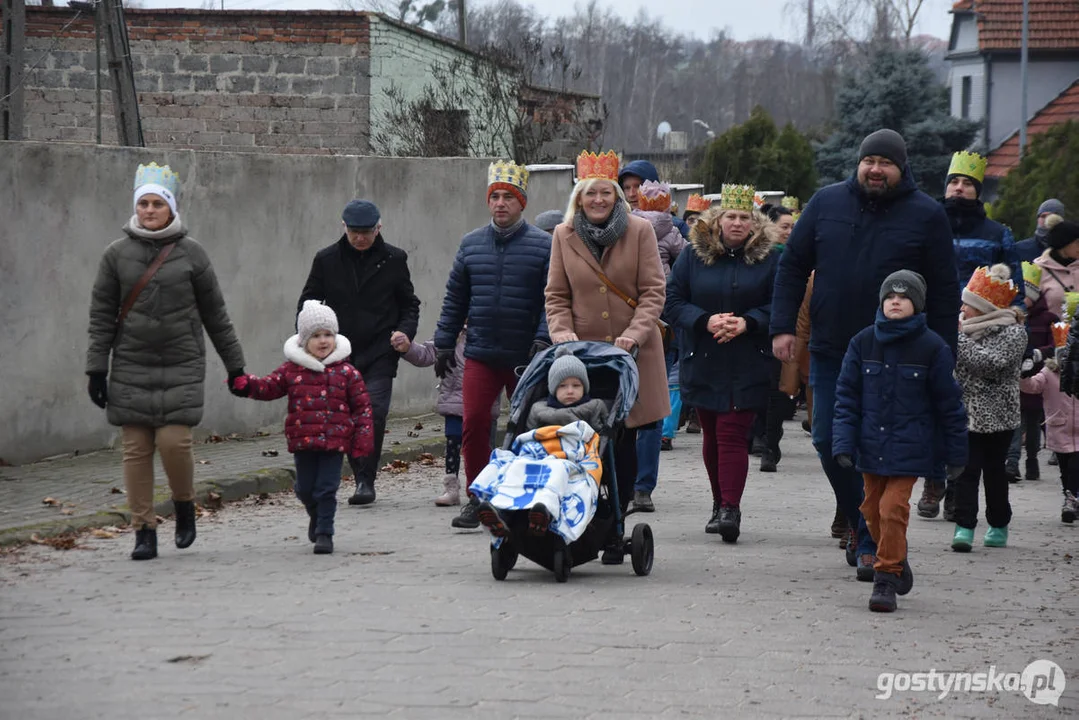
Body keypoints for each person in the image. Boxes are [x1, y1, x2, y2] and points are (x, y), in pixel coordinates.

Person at [770, 128, 960, 580]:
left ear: (901, 168)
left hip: (902, 355)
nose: (875, 170)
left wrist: (943, 350)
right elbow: (793, 265)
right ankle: (861, 518)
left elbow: (946, 287)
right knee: (825, 439)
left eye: (886, 163)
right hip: (835, 347)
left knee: (880, 451)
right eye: (869, 161)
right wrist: (781, 326)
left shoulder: (926, 214)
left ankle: (874, 539)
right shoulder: (826, 203)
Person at [86, 162, 246, 561]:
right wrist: (96, 369)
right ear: (135, 208)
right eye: (144, 204)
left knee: (174, 443)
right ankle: (143, 529)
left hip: (182, 363)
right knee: (136, 449)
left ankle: (184, 504)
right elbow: (101, 315)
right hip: (130, 365)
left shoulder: (192, 254)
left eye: (158, 203)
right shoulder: (115, 255)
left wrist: (235, 366)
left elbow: (216, 315)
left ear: (171, 208)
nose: (150, 210)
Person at [545, 149, 670, 561]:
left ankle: (614, 523)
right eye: (589, 193)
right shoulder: (564, 235)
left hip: (630, 354)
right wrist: (562, 334)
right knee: (585, 436)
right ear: (578, 198)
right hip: (583, 358)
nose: (598, 200)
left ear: (617, 196)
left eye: (605, 193)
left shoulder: (639, 231)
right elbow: (557, 295)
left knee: (624, 438)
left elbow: (653, 291)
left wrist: (635, 335)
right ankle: (581, 516)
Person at [833, 270, 968, 612]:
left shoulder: (932, 347)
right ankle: (896, 556)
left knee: (893, 509)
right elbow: (846, 397)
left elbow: (949, 404)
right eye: (890, 296)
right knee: (870, 510)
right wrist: (843, 443)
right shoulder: (862, 342)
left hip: (911, 448)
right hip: (869, 446)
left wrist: (955, 453)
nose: (896, 300)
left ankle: (886, 578)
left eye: (904, 297)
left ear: (917, 305)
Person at [436, 160, 552, 529]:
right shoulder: (470, 244)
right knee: (472, 424)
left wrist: (542, 337)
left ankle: (524, 498)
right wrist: (442, 342)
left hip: (524, 357)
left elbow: (553, 298)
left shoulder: (543, 246)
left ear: (522, 203)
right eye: (495, 197)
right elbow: (454, 297)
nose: (500, 203)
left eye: (508, 197)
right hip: (481, 353)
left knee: (527, 429)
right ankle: (478, 498)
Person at [666, 184, 780, 543]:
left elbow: (781, 303)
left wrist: (750, 322)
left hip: (748, 358)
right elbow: (672, 300)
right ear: (717, 221)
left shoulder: (770, 259)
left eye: (744, 217)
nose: (736, 223)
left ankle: (731, 507)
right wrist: (705, 320)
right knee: (712, 432)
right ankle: (718, 503)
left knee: (732, 431)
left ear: (754, 223)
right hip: (704, 355)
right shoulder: (692, 256)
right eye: (730, 216)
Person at [298, 199, 420, 507]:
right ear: (344, 228)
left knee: (373, 412)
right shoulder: (326, 260)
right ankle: (358, 471)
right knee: (348, 417)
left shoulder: (394, 259)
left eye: (366, 232)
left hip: (380, 350)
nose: (360, 238)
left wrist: (404, 333)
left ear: (379, 228)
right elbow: (309, 302)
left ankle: (366, 479)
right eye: (354, 232)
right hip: (339, 353)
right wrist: (313, 338)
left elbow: (409, 304)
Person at [230, 301, 373, 555]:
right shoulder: (292, 370)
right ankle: (315, 514)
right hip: (303, 440)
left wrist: (363, 438)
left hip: (334, 442)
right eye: (316, 335)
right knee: (306, 489)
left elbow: (362, 407)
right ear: (303, 340)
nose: (323, 341)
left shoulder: (347, 372)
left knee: (326, 489)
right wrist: (246, 384)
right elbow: (268, 387)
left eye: (328, 334)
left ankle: (324, 533)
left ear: (336, 336)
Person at [471, 348, 607, 543]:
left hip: (567, 457)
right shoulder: (538, 409)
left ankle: (544, 511)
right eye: (563, 386)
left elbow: (595, 438)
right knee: (514, 466)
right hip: (538, 453)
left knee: (557, 471)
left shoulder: (594, 406)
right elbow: (530, 435)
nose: (570, 390)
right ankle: (499, 511)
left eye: (576, 385)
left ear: (585, 387)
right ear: (553, 389)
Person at [951, 265, 1027, 552]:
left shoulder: (1013, 332)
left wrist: (958, 339)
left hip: (999, 416)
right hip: (964, 413)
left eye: (968, 304)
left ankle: (998, 523)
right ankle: (964, 526)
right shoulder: (963, 328)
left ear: (983, 308)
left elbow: (991, 364)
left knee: (994, 471)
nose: (962, 308)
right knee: (966, 471)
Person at [390, 328, 499, 506]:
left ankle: (486, 486)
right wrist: (408, 348)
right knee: (453, 441)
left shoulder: (490, 328)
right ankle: (451, 488)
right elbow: (426, 354)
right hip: (454, 398)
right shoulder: (450, 331)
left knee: (485, 447)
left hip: (484, 400)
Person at [631, 180, 686, 510]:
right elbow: (683, 267)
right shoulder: (673, 232)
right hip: (662, 320)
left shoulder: (629, 228)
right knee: (655, 399)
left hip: (632, 321)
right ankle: (642, 486)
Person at [1001, 263, 1058, 484]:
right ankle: (1012, 462)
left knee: (1033, 424)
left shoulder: (1048, 318)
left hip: (1037, 377)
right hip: (1016, 377)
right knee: (1015, 421)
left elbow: (1055, 345)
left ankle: (1032, 459)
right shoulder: (1011, 316)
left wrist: (1036, 354)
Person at [753, 199, 799, 472]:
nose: (789, 232)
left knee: (780, 391)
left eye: (793, 227)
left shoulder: (795, 256)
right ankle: (761, 437)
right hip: (758, 328)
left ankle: (771, 440)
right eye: (784, 226)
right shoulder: (760, 256)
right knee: (761, 389)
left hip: (786, 330)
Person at [1020, 321, 1079, 523]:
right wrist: (1023, 375)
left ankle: (1072, 498)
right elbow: (1032, 386)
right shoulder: (1049, 373)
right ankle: (1069, 496)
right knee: (1064, 468)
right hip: (1059, 427)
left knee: (1075, 465)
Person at [945, 151, 1023, 294]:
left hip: (981, 312)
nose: (959, 188)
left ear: (977, 192)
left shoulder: (998, 234)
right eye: (954, 182)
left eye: (967, 184)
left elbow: (1014, 284)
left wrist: (1017, 313)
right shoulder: (929, 227)